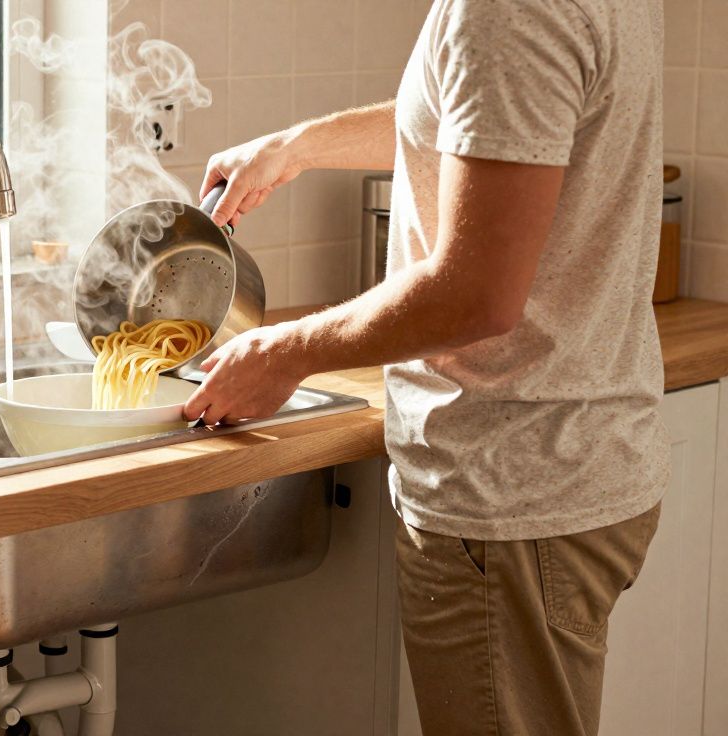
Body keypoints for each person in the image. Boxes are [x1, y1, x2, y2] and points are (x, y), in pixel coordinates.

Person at [183, 1, 667, 734]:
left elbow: (475, 295)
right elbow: (492, 115)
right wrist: (298, 146)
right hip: (574, 459)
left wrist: (283, 352)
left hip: (509, 488)